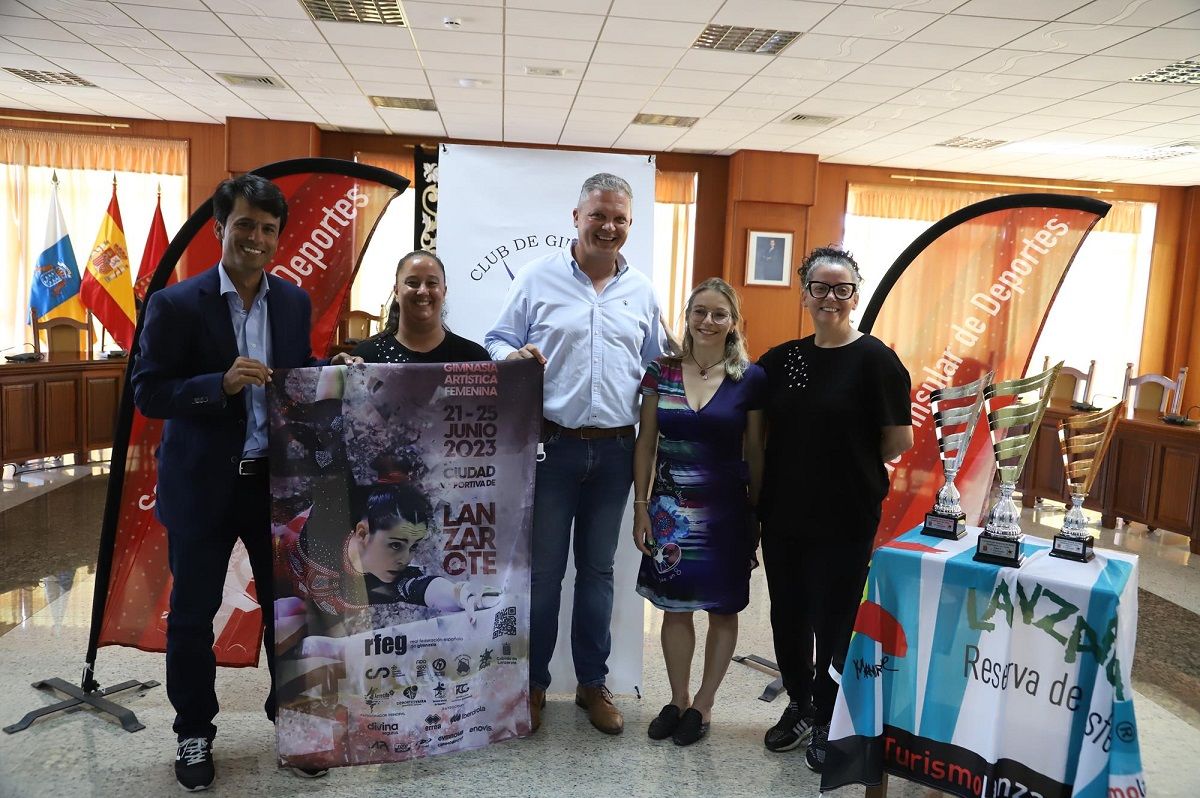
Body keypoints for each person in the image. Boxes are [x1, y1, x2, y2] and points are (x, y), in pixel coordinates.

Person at [131, 173, 361, 791]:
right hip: (205, 486)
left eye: (267, 228)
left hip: (275, 486)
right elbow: (148, 392)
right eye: (244, 226)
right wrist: (219, 385)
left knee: (291, 613)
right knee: (191, 617)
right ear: (219, 229)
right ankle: (193, 731)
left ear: (278, 237)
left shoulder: (291, 302)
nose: (255, 238)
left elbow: (294, 373)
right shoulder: (175, 304)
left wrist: (333, 373)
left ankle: (294, 723)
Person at [485, 172, 664, 736]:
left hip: (615, 454)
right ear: (576, 218)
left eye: (619, 219)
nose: (608, 227)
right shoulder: (538, 279)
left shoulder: (642, 291)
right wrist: (515, 354)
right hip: (552, 450)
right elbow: (494, 340)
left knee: (599, 574)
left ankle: (593, 684)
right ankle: (532, 686)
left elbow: (658, 370)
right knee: (543, 576)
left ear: (629, 225)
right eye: (598, 216)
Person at [756, 246, 913, 772]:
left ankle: (830, 715)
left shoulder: (877, 360)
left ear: (855, 295)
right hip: (783, 514)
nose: (830, 297)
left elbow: (897, 440)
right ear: (803, 294)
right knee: (789, 615)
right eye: (820, 287)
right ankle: (800, 704)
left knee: (835, 621)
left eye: (841, 288)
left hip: (844, 517)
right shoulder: (781, 360)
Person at [632, 278, 765, 746]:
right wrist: (641, 506)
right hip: (669, 511)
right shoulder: (660, 371)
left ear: (733, 323)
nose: (708, 321)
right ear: (686, 316)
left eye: (719, 314)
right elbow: (646, 442)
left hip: (727, 510)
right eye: (699, 312)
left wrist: (756, 516)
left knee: (723, 610)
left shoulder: (750, 378)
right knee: (674, 609)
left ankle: (704, 704)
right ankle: (678, 699)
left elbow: (755, 452)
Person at [351, 249, 488, 363]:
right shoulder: (365, 358)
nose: (423, 291)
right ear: (397, 291)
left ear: (444, 292)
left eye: (432, 283)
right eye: (412, 282)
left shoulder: (474, 358)